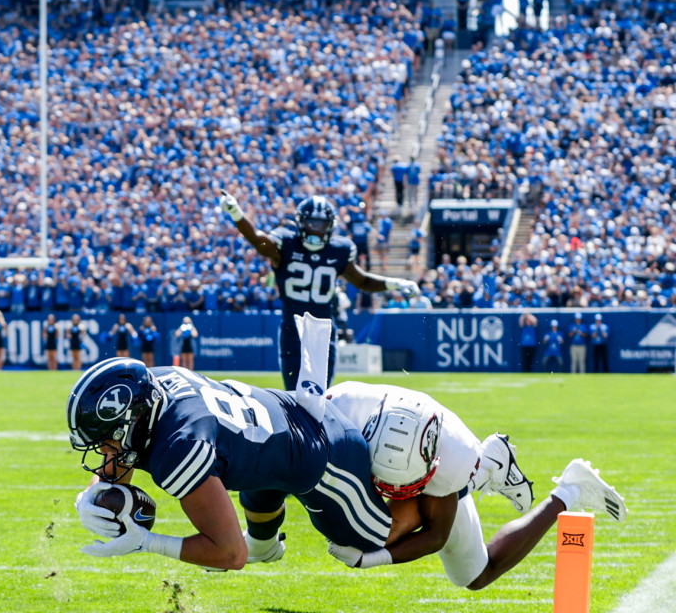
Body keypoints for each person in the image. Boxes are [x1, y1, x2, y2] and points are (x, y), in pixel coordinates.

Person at [67, 316, 394, 571]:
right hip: (272, 441)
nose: (104, 455)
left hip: (322, 449)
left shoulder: (179, 447)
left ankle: (438, 505)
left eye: (106, 443)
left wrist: (148, 542)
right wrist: (91, 494)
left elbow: (231, 553)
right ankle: (265, 545)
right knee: (261, 516)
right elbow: (125, 451)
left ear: (131, 421)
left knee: (370, 542)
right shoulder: (155, 383)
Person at [322, 380, 626, 589]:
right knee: (354, 529)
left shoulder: (453, 457)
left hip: (447, 465)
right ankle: (490, 463)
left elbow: (437, 534)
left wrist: (370, 559)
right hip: (389, 449)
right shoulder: (338, 410)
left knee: (476, 575)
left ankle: (569, 490)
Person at [219, 192, 419, 390]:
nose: (315, 230)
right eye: (311, 223)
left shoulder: (339, 249)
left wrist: (394, 283)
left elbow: (362, 281)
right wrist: (236, 212)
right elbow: (259, 241)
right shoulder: (286, 242)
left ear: (330, 225)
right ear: (300, 223)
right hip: (293, 328)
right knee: (293, 394)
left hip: (323, 330)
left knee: (319, 394)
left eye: (321, 224)